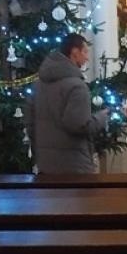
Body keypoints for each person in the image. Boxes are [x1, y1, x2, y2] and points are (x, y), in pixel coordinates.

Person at [29, 33, 107, 174]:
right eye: (85, 52)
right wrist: (102, 117)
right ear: (74, 52)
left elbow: (30, 123)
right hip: (74, 166)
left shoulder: (38, 84)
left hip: (46, 166)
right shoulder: (77, 86)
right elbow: (79, 126)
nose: (87, 58)